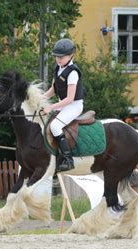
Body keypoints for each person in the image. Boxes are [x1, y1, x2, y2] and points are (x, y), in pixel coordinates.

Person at [42, 38, 86, 172]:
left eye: (62, 57)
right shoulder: (58, 68)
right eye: (57, 56)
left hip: (74, 105)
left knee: (55, 126)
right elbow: (53, 90)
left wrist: (51, 107)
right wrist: (40, 99)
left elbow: (69, 98)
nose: (59, 59)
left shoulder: (72, 72)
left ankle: (68, 159)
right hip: (63, 104)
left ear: (71, 55)